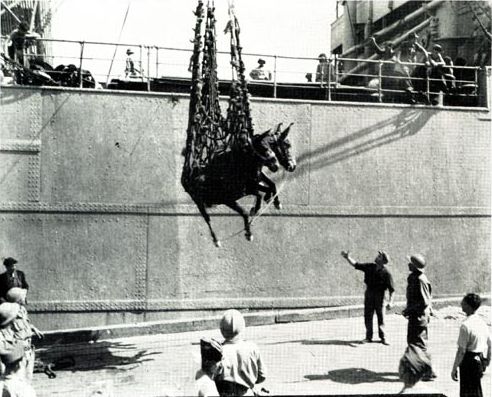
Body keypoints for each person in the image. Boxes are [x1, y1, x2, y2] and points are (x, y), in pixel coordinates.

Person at [341, 250, 395, 345]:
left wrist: (391, 302)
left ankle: (383, 337)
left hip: (380, 296)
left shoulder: (387, 273)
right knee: (368, 316)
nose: (377, 257)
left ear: (383, 260)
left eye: (379, 256)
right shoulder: (370, 267)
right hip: (369, 294)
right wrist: (347, 258)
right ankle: (368, 337)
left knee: (381, 317)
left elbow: (392, 290)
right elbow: (356, 265)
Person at [215, 309, 266, 396]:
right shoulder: (252, 347)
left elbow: (210, 377)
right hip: (247, 393)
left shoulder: (219, 351)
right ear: (242, 328)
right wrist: (249, 381)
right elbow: (262, 375)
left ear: (222, 330)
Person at [402, 254, 436, 381]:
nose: (408, 265)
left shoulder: (420, 279)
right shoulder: (414, 277)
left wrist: (408, 310)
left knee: (419, 345)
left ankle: (429, 372)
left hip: (419, 317)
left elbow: (424, 302)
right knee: (414, 343)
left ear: (414, 266)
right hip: (416, 316)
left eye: (410, 263)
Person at [451, 293, 491, 397]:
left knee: (466, 392)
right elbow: (490, 344)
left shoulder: (465, 325)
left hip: (468, 362)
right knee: (477, 390)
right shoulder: (482, 322)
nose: (461, 304)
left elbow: (461, 351)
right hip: (480, 360)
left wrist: (454, 367)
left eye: (463, 303)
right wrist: (487, 361)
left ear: (468, 306)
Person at [5, 288, 43, 382]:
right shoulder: (9, 313)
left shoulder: (22, 310)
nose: (25, 297)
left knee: (28, 375)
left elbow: (25, 323)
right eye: (23, 296)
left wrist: (33, 328)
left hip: (28, 347)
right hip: (18, 349)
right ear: (17, 299)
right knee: (19, 377)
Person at [370, 36, 397, 101]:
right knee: (383, 85)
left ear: (389, 47)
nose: (384, 48)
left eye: (386, 46)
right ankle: (383, 98)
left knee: (389, 87)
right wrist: (373, 42)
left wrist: (384, 62)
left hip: (390, 73)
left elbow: (393, 60)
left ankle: (390, 99)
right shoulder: (386, 51)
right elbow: (378, 50)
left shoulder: (393, 53)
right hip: (385, 73)